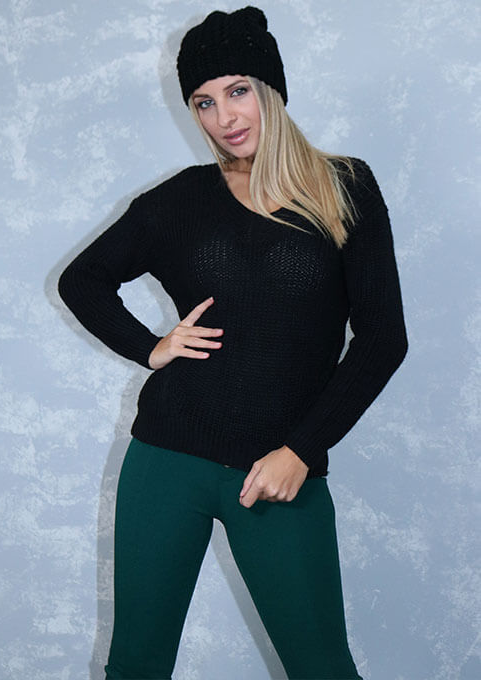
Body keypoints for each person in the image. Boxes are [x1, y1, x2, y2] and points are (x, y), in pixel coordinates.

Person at [58, 5, 408, 679]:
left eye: (238, 90)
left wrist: (302, 449)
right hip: (165, 462)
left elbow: (382, 339)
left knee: (322, 668)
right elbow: (83, 280)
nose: (225, 116)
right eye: (204, 101)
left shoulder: (345, 188)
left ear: (271, 88)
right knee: (134, 666)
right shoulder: (180, 200)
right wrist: (151, 347)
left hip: (278, 472)